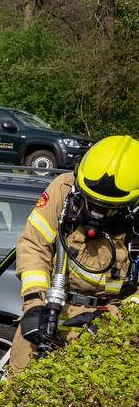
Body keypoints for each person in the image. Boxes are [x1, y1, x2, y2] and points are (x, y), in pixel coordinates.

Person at [12, 135, 139, 373]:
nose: (97, 213)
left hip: (108, 328)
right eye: (91, 202)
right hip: (49, 309)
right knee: (21, 388)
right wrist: (33, 304)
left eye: (108, 208)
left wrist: (112, 319)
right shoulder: (64, 189)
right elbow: (33, 244)